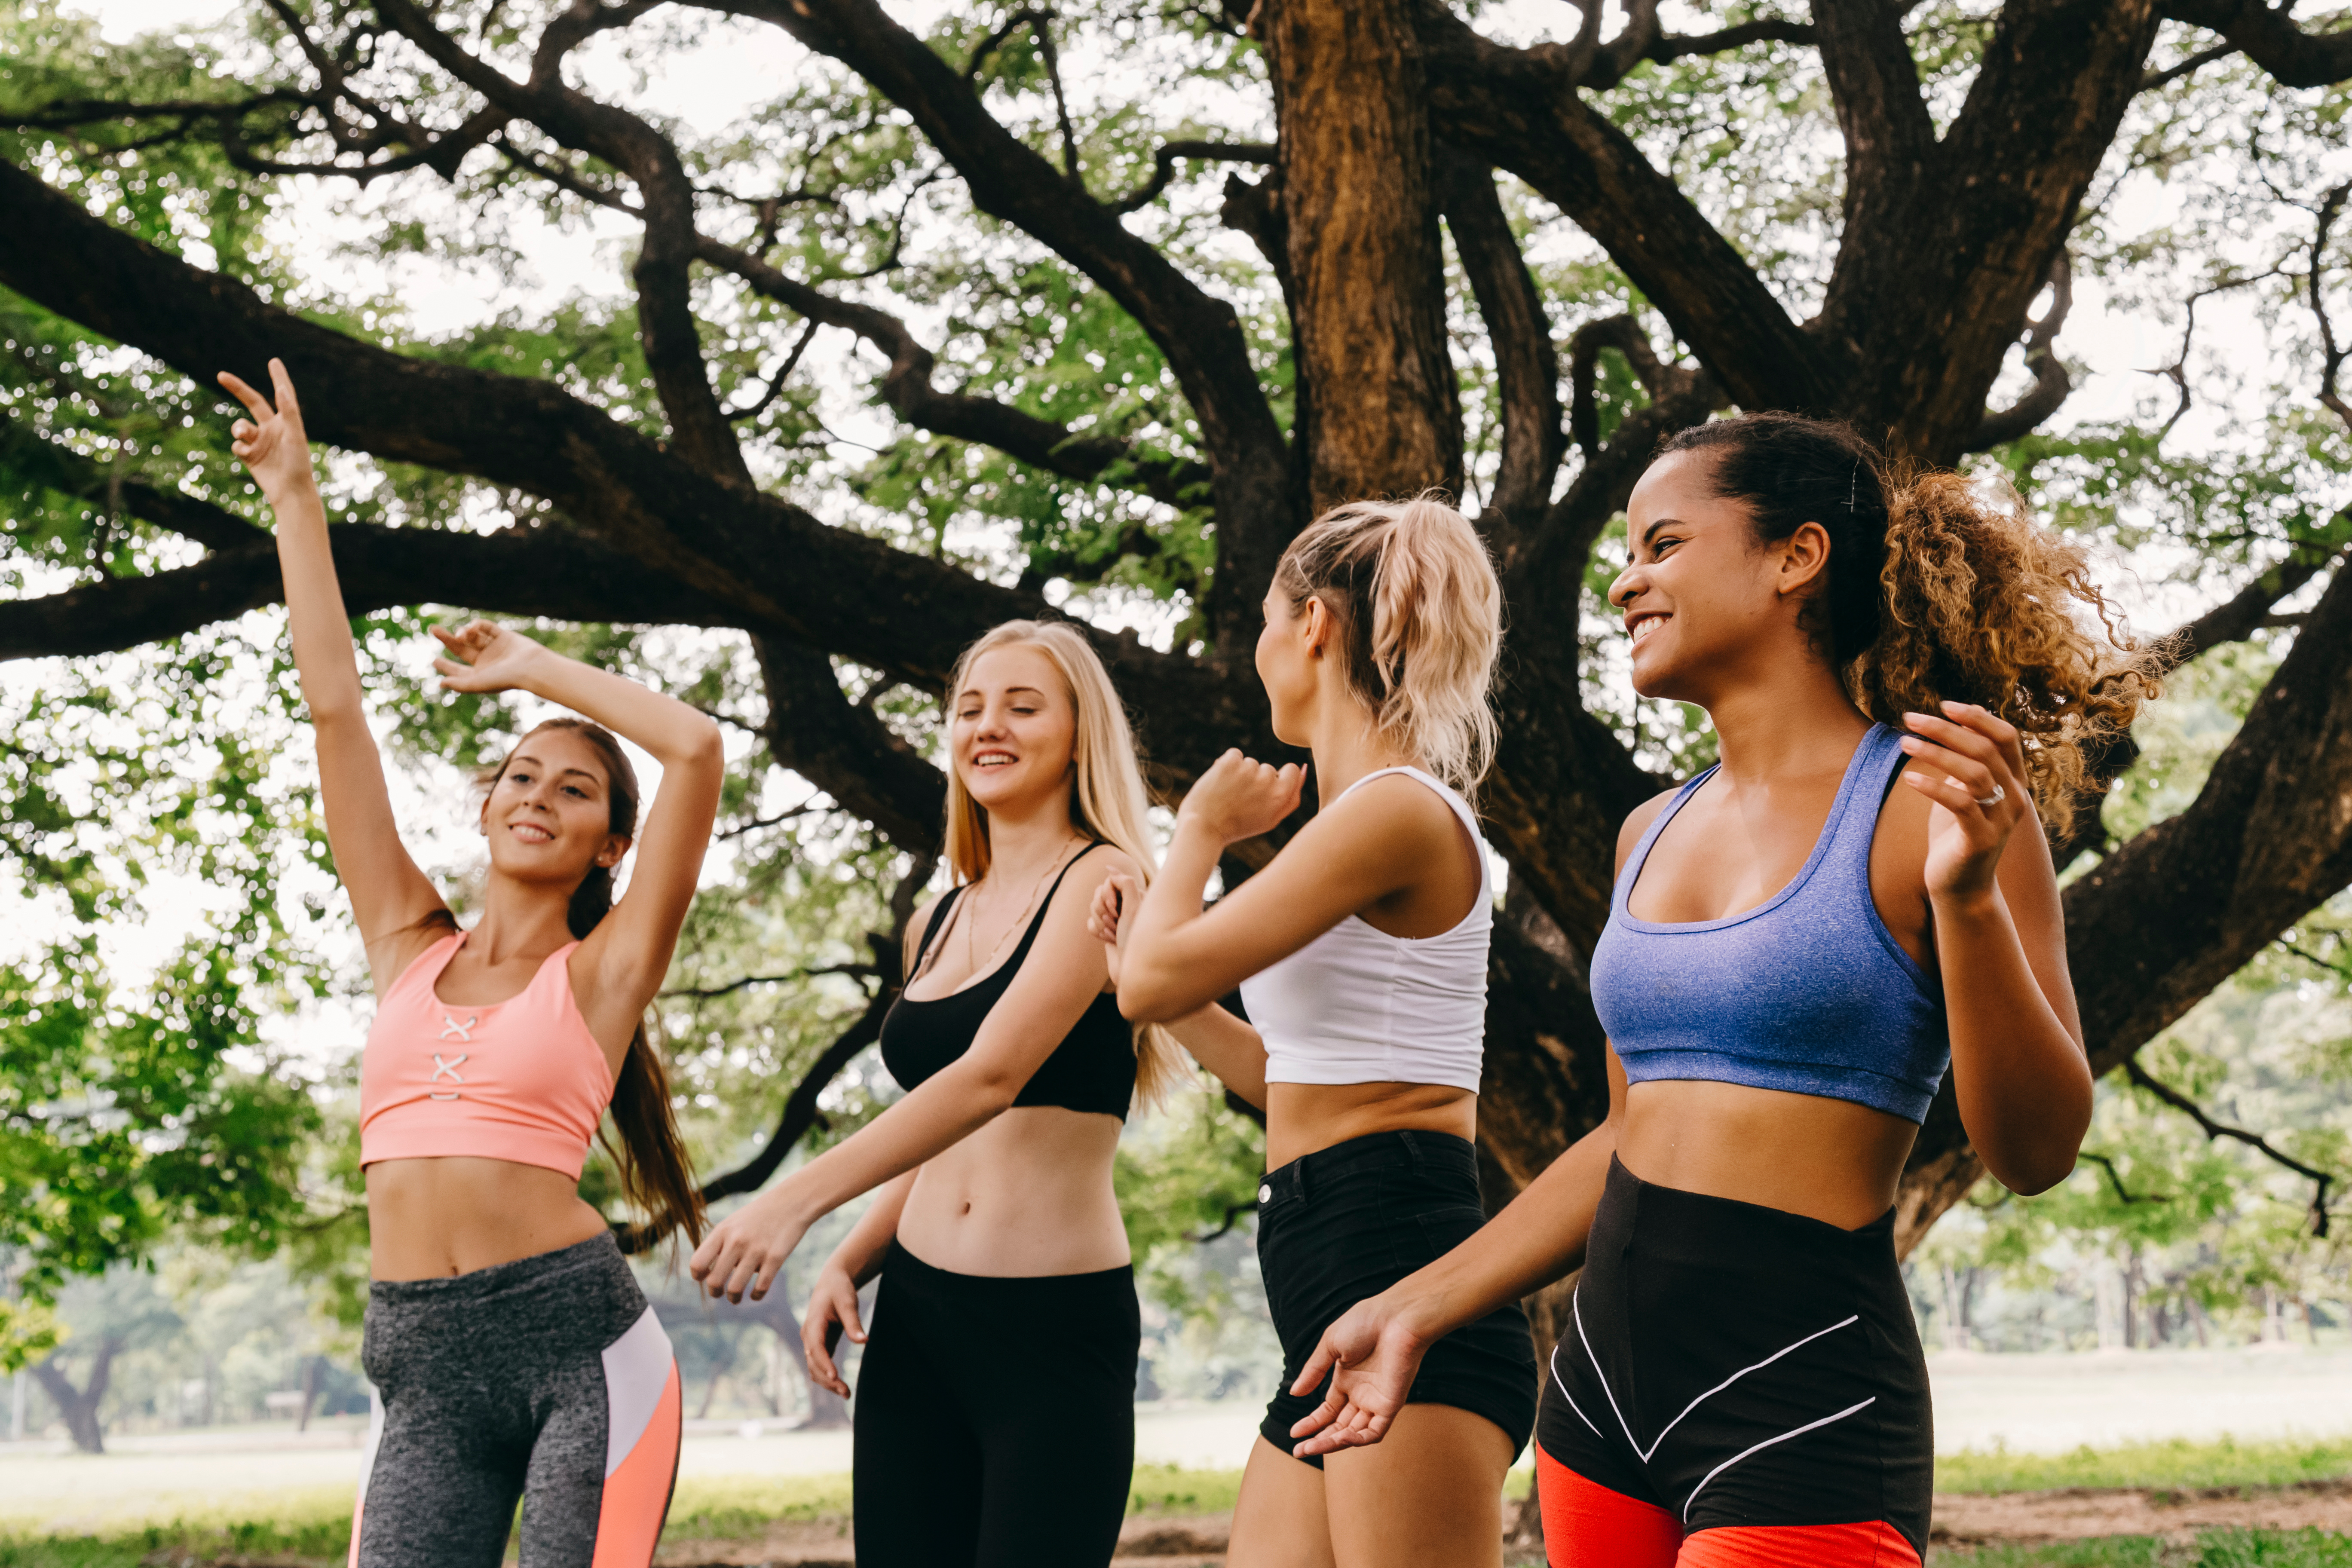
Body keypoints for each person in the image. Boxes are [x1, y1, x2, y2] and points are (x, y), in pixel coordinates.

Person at [1279, 415, 2162, 1566]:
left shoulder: (1937, 808)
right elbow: (1625, 1134)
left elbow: (2038, 1149)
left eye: (1662, 545)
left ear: (1796, 558)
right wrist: (1413, 1307)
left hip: (1800, 1403)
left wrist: (1973, 902)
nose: (1626, 584)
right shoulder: (1650, 831)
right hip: (1598, 1409)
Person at [217, 360, 722, 1568]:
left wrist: (534, 671)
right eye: (520, 774)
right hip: (419, 1364)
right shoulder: (405, 937)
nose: (538, 793)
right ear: (487, 805)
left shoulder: (605, 975)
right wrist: (297, 498)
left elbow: (696, 750)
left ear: (612, 845)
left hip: (581, 1356)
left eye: (576, 787)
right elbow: (336, 713)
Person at [1090, 493, 1532, 1568]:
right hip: (1325, 1256)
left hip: (1395, 1248)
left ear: (1316, 628)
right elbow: (1280, 1072)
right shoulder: (1360, 820)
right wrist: (1175, 989)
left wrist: (1195, 829)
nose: (1256, 652)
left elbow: (1146, 982)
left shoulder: (1395, 811)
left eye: (1262, 621)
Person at [686, 619, 1180, 1568]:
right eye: (969, 708)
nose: (988, 726)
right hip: (916, 1320)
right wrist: (852, 1257)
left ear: (1080, 733)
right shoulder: (937, 919)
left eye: (1023, 707)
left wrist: (793, 1200)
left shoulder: (1108, 881)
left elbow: (991, 1078)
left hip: (1050, 1327)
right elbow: (943, 1135)